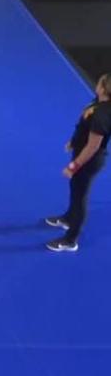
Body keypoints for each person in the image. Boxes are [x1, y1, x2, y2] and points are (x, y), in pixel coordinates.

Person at [46, 73, 111, 252]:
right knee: (75, 191)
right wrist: (74, 141)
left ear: (103, 89)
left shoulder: (102, 115)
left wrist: (73, 166)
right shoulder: (98, 103)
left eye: (99, 83)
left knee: (80, 197)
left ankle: (70, 240)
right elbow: (84, 125)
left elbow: (93, 146)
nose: (96, 84)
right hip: (82, 153)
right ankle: (68, 218)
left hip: (88, 161)